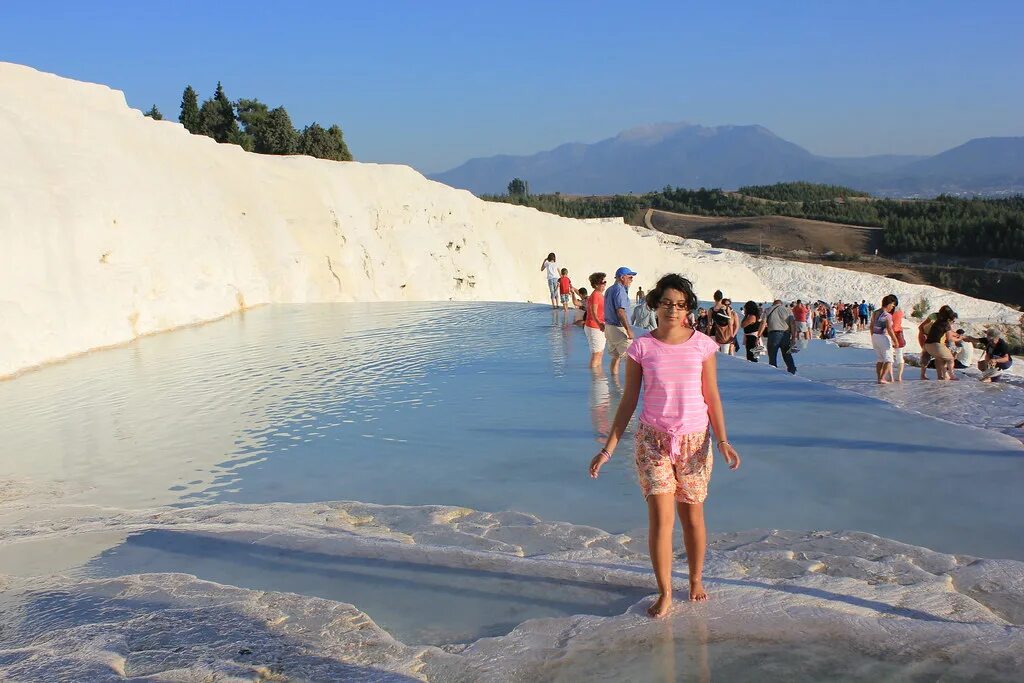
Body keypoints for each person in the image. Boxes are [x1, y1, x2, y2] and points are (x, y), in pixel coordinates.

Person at [589, 273, 741, 616]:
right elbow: (628, 401)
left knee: (692, 516)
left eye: (681, 304)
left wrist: (723, 440)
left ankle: (696, 580)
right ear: (655, 306)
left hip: (695, 441)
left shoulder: (702, 344)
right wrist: (607, 449)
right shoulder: (642, 348)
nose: (673, 310)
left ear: (688, 308)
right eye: (667, 303)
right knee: (661, 518)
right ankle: (665, 591)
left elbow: (712, 395)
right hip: (652, 441)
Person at [604, 267, 636, 373]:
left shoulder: (609, 289)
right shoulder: (619, 290)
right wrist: (628, 329)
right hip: (618, 328)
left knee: (616, 357)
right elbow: (620, 311)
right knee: (632, 360)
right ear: (622, 277)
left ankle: (614, 386)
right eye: (630, 277)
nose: (632, 280)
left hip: (609, 328)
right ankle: (631, 388)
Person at [918, 305, 955, 380]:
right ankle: (951, 376)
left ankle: (934, 376)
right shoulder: (945, 323)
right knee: (949, 359)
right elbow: (949, 338)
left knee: (932, 358)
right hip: (936, 343)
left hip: (928, 342)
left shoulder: (937, 320)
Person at [869, 295, 900, 384]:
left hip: (875, 336)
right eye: (893, 305)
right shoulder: (887, 315)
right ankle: (882, 378)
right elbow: (889, 329)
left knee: (880, 359)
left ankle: (879, 377)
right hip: (883, 336)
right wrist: (895, 340)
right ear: (890, 304)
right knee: (889, 359)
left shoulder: (875, 312)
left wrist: (873, 336)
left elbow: (871, 326)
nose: (892, 308)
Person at [763, 299, 797, 374]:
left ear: (773, 304)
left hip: (773, 335)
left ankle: (773, 371)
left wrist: (759, 334)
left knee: (772, 355)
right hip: (785, 335)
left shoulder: (768, 310)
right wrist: (794, 337)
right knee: (787, 354)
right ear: (781, 304)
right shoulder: (788, 310)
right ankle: (792, 370)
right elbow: (792, 324)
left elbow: (763, 323)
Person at [585, 273, 607, 368]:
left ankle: (597, 376)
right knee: (596, 354)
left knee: (599, 353)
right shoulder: (595, 295)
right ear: (596, 284)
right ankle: (595, 378)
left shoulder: (599, 294)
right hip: (595, 327)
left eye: (605, 282)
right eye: (603, 282)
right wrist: (600, 324)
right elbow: (593, 312)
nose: (605, 284)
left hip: (597, 327)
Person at [891, 303, 906, 382]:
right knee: (899, 356)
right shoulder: (900, 311)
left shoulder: (889, 312)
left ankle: (889, 375)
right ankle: (899, 376)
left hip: (890, 334)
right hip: (899, 333)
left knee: (888, 356)